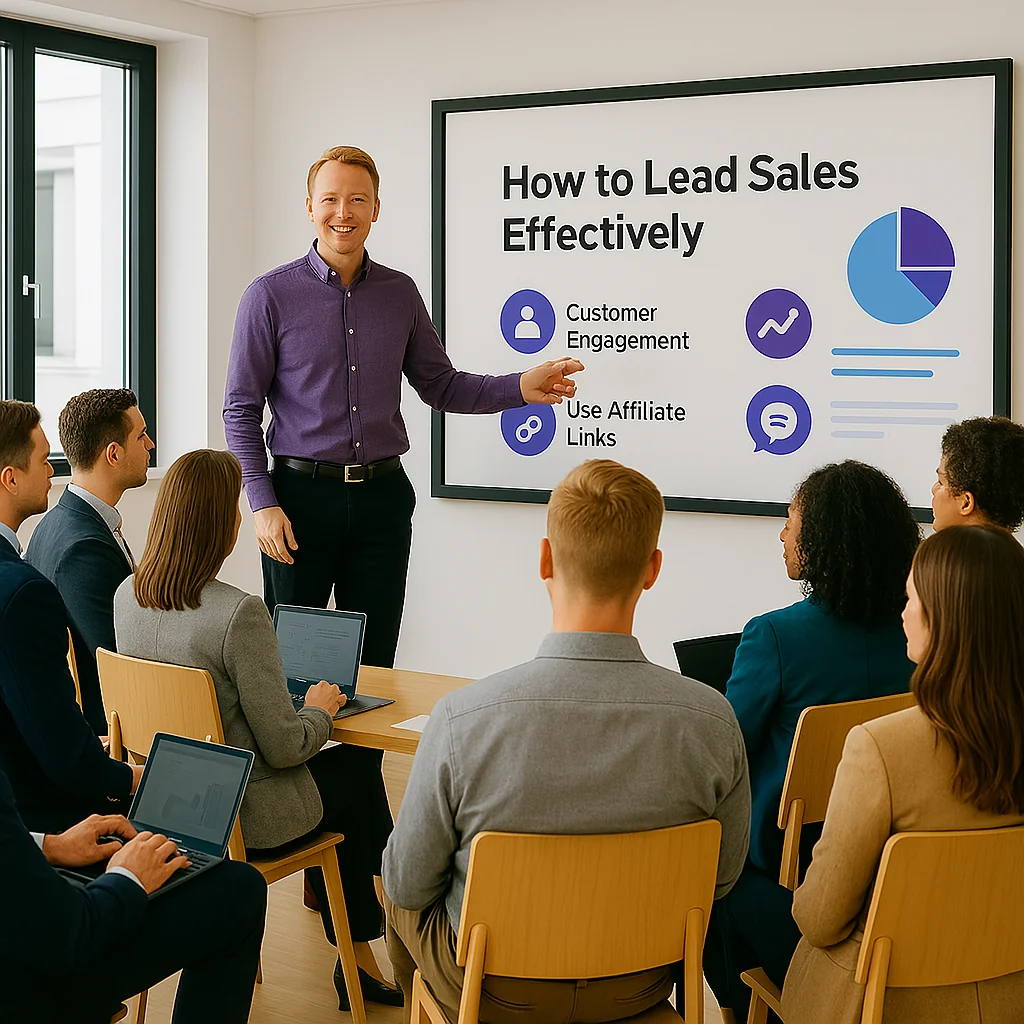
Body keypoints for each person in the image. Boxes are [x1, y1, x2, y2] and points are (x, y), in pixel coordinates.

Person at [383, 459, 750, 1024]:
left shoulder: (462, 720)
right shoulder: (712, 721)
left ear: (545, 560)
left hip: (496, 992)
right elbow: (720, 882)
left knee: (395, 878)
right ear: (652, 570)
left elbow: (410, 882)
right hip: (639, 985)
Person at [223, 145, 584, 669]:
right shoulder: (269, 297)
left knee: (374, 670)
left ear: (375, 209)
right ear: (308, 206)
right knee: (295, 665)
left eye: (357, 200)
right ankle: (295, 755)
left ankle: (359, 758)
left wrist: (520, 388)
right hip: (298, 501)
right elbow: (240, 409)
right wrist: (262, 503)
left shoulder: (400, 293)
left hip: (382, 503)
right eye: (330, 199)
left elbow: (441, 386)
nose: (342, 213)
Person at [113, 448, 400, 1009]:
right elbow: (286, 746)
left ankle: (361, 952)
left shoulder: (128, 597)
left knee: (348, 786)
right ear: (224, 524)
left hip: (169, 811)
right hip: (247, 819)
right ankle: (368, 946)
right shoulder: (238, 614)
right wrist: (317, 707)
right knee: (359, 771)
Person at [704, 460, 920, 1023]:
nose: (781, 532)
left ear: (822, 536)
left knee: (711, 876)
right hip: (891, 859)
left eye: (791, 518)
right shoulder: (919, 632)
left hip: (789, 867)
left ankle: (746, 1004)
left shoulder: (773, 636)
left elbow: (726, 756)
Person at [783, 524, 1024, 1023]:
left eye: (911, 598)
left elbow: (820, 919)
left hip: (884, 1005)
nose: (903, 612)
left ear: (945, 620)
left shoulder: (880, 747)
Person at [0, 765, 266, 1023]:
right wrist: (128, 877)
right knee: (239, 891)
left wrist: (49, 846)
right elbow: (68, 934)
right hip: (28, 986)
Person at [0, 400, 141, 833]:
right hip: (38, 812)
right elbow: (62, 755)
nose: (52, 472)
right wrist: (132, 777)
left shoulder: (35, 546)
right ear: (9, 478)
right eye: (44, 460)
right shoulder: (22, 590)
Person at [26, 389, 154, 735]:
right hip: (114, 734)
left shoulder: (56, 523)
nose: (151, 445)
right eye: (141, 435)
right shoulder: (83, 549)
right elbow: (121, 660)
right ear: (113, 453)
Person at [930, 415, 1024, 532]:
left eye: (941, 482)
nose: (933, 489)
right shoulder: (1012, 550)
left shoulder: (940, 550)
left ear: (966, 503)